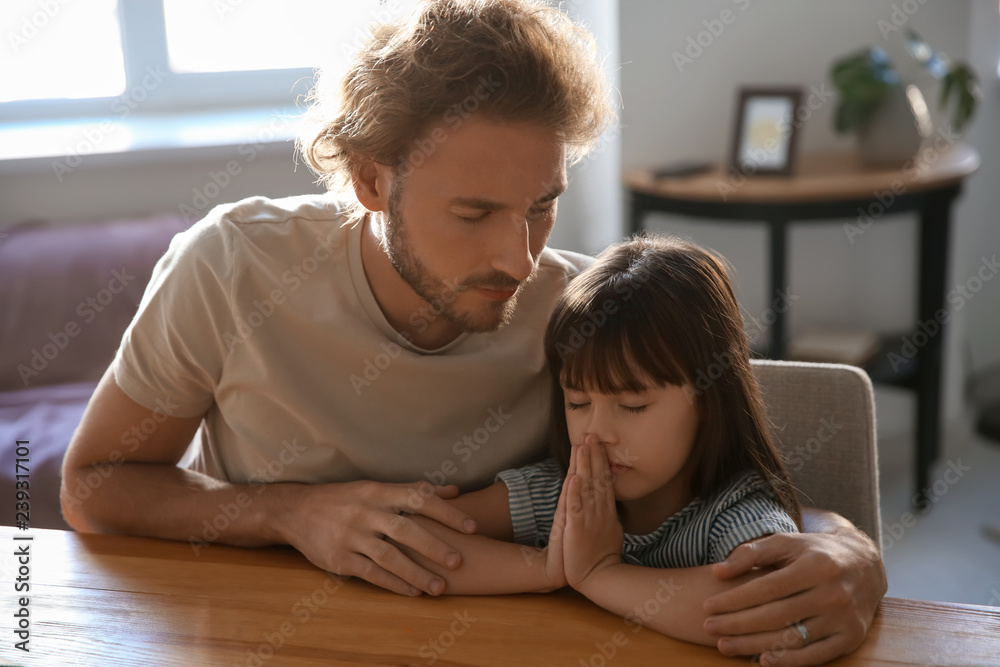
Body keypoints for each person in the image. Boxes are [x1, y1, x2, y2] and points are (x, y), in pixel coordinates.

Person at [60, 1, 885, 664]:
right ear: (373, 179)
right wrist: (288, 513)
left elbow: (708, 463)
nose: (519, 257)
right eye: (475, 212)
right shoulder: (231, 264)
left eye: (542, 206)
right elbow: (94, 485)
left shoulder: (574, 309)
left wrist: (851, 548)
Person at [392, 234, 807, 657]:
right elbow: (406, 539)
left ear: (708, 401)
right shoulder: (563, 494)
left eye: (632, 405)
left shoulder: (733, 509)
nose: (596, 433)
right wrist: (549, 568)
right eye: (578, 402)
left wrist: (597, 574)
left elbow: (770, 602)